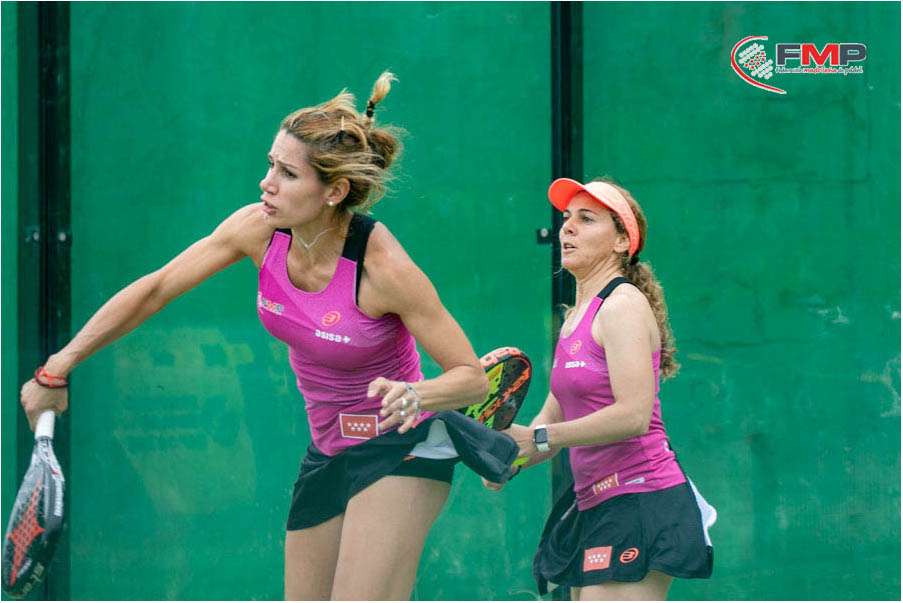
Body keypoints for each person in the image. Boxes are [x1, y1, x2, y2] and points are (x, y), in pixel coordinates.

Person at [20, 72, 518, 600]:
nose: (267, 183)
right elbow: (156, 289)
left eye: (287, 173)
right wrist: (57, 368)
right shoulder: (257, 230)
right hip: (329, 448)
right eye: (270, 164)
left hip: (402, 442)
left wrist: (416, 393)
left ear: (334, 192)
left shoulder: (383, 268)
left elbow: (471, 378)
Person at [485, 177, 716, 600]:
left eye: (587, 219)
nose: (568, 228)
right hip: (594, 504)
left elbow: (633, 416)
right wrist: (509, 460)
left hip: (641, 497)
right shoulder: (575, 318)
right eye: (566, 218)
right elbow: (551, 421)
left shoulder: (623, 305)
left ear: (622, 242)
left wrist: (538, 437)